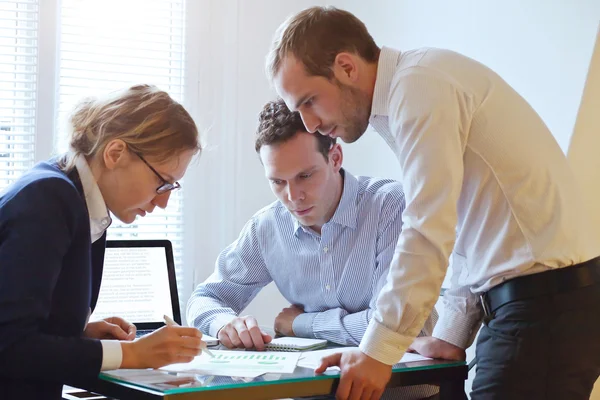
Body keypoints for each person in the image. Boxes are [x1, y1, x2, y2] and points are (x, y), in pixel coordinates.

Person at [266, 6, 600, 400]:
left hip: (543, 311)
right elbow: (465, 224)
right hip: (539, 308)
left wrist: (377, 351)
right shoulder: (416, 87)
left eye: (309, 101)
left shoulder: (419, 88)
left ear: (346, 67)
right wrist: (450, 335)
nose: (309, 124)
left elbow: (428, 227)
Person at [187, 98, 438, 399]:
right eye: (278, 181)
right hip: (314, 394)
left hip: (404, 394)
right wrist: (225, 324)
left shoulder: (391, 207)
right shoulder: (267, 227)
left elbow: (394, 330)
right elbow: (204, 299)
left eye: (305, 176)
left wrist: (300, 323)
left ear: (335, 158)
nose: (293, 197)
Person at [0, 85, 205, 399]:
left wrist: (78, 333)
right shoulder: (50, 199)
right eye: (161, 183)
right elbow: (11, 345)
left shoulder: (81, 202)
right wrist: (132, 355)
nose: (162, 203)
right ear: (115, 154)